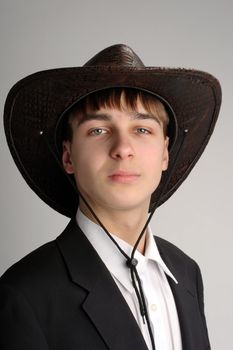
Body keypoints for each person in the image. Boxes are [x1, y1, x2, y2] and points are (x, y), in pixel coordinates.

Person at [0, 44, 221, 350]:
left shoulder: (186, 273)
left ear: (165, 153)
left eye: (142, 129)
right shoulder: (23, 294)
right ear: (68, 156)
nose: (123, 148)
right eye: (99, 130)